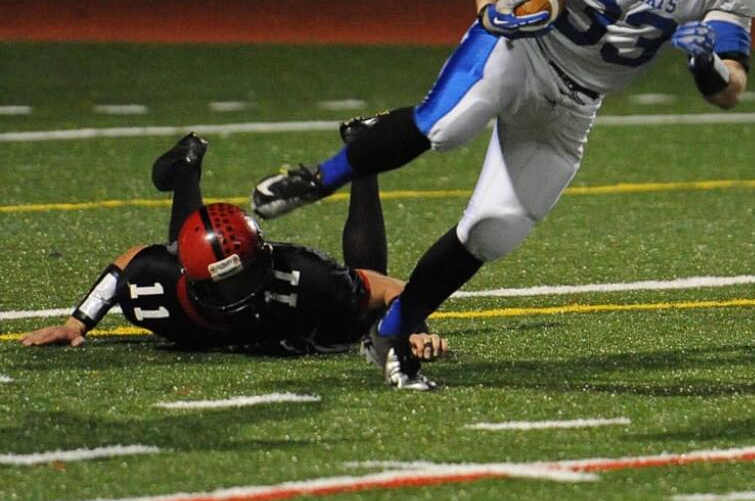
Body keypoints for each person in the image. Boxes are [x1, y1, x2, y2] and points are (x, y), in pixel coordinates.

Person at [250, 0, 755, 349]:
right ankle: (318, 179)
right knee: (446, 125)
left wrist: (707, 66)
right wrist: (487, 11)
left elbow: (730, 88)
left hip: (577, 99)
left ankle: (392, 331)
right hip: (526, 47)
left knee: (493, 229)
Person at [22, 127, 449, 390]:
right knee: (187, 257)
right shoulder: (158, 285)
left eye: (243, 278)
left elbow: (390, 288)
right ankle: (185, 167)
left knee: (360, 319)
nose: (237, 294)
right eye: (224, 284)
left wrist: (410, 330)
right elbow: (130, 264)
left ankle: (362, 157)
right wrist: (76, 322)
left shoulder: (300, 279)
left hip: (299, 310)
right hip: (200, 286)